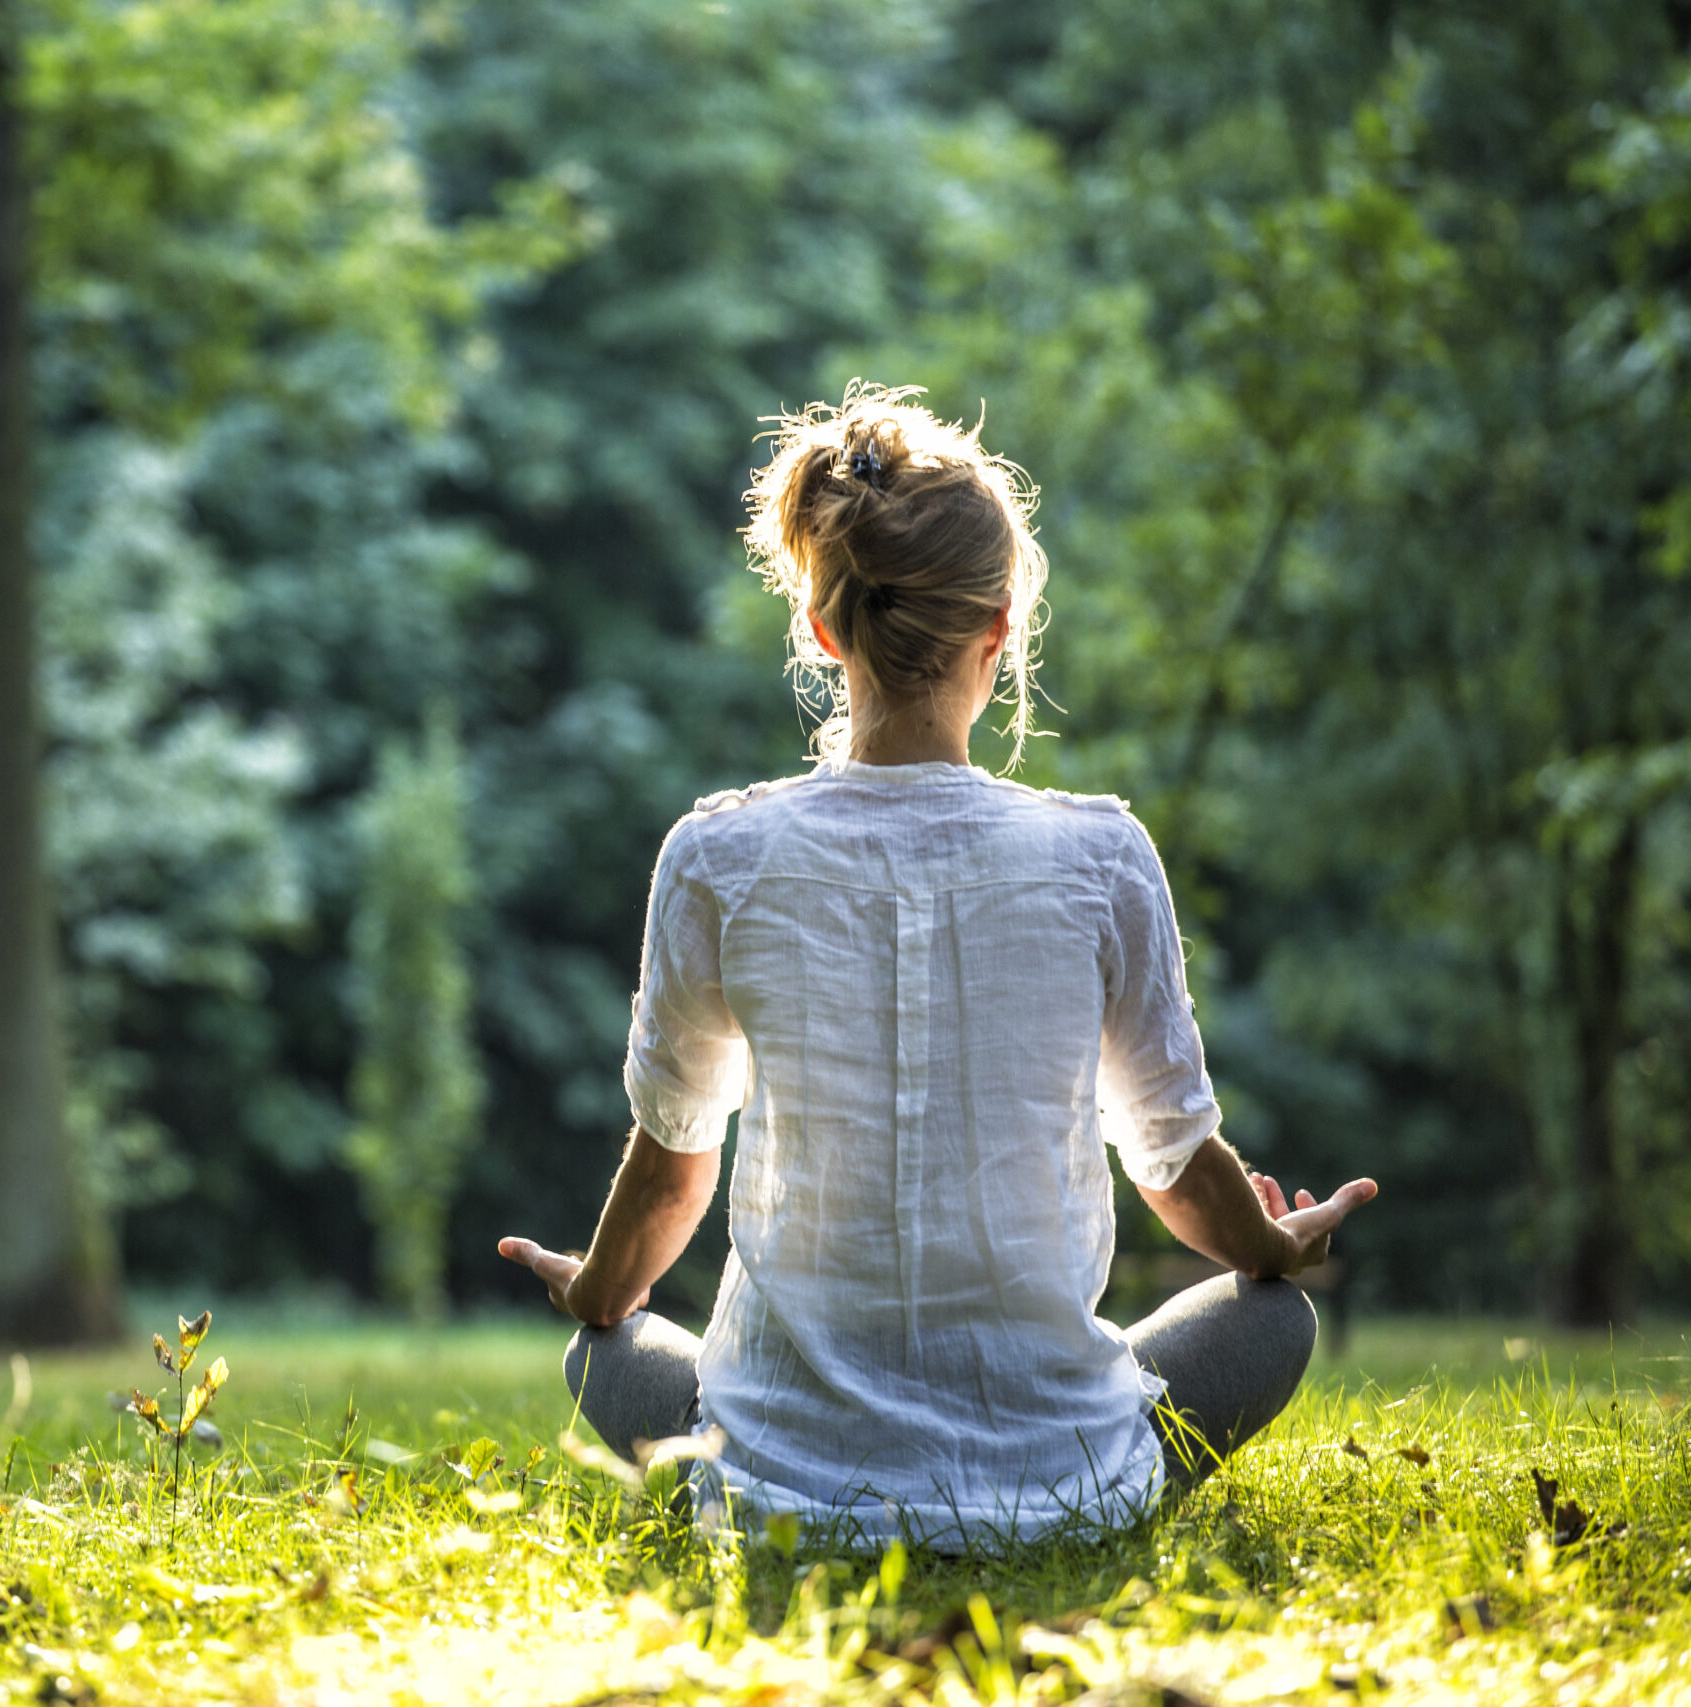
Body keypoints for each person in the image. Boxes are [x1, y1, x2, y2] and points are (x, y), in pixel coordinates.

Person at [496, 386, 1377, 1548]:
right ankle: (1071, 1490)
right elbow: (1171, 1164)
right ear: (997, 631)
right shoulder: (1099, 855)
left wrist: (598, 1292)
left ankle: (773, 1463)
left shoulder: (717, 855)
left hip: (781, 1497)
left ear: (822, 629)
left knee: (600, 1352)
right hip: (1057, 1484)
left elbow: (671, 1174)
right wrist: (1271, 1246)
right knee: (1273, 1326)